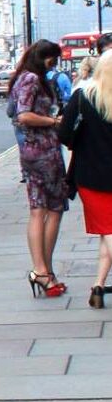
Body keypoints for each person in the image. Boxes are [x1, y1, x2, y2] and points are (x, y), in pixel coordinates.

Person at [10, 41, 69, 296]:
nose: (54, 64)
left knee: (40, 210)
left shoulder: (25, 77)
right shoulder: (32, 79)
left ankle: (45, 272)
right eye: (52, 59)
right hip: (43, 149)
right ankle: (42, 271)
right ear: (42, 57)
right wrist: (55, 120)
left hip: (34, 151)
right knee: (51, 210)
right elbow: (23, 115)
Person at [61, 50, 112, 307]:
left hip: (90, 176)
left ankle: (98, 287)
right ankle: (98, 288)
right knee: (109, 232)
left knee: (108, 232)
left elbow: (64, 134)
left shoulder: (82, 97)